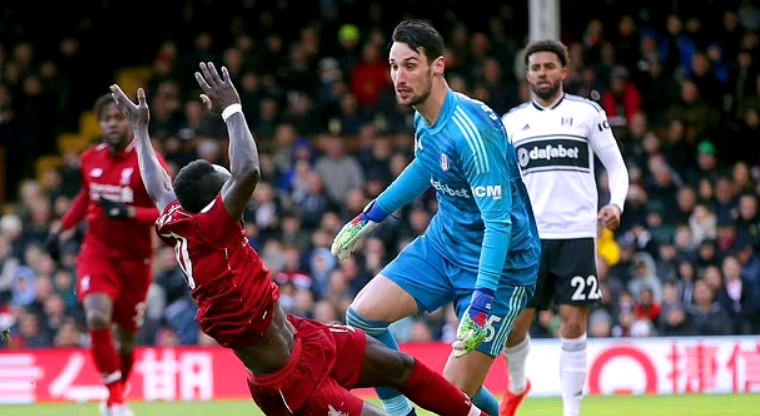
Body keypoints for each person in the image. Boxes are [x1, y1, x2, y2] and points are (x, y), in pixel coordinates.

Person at [111, 61, 495, 416]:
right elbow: (248, 171)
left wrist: (141, 130)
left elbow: (160, 186)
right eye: (223, 179)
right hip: (289, 384)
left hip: (305, 338)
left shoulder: (180, 218)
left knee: (402, 366)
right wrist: (233, 110)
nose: (231, 181)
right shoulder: (214, 228)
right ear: (216, 200)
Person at [331, 20, 540, 416]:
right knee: (362, 318)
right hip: (444, 244)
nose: (399, 77)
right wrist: (369, 216)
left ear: (438, 66)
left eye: (410, 65)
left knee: (453, 399)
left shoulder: (472, 131)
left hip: (502, 267)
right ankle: (400, 413)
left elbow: (499, 224)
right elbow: (424, 167)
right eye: (394, 67)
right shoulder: (423, 118)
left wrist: (481, 302)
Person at [499, 39, 629, 416]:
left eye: (549, 66)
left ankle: (571, 412)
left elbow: (616, 167)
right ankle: (517, 386)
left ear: (563, 72)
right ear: (527, 74)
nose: (542, 73)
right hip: (528, 239)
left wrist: (615, 204)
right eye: (536, 67)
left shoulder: (587, 113)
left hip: (576, 234)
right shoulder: (511, 123)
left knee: (573, 324)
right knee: (514, 328)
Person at [45, 93, 166, 416]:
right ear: (99, 125)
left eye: (118, 118)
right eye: (106, 119)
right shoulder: (90, 159)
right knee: (97, 315)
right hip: (97, 253)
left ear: (129, 122)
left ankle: (115, 397)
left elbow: (168, 211)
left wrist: (129, 213)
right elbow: (86, 197)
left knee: (126, 341)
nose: (112, 124)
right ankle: (114, 398)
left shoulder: (148, 161)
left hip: (136, 261)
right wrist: (61, 228)